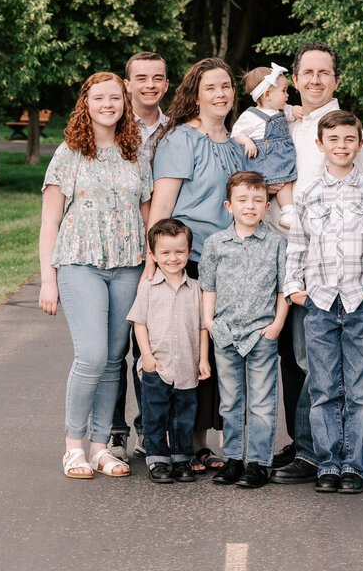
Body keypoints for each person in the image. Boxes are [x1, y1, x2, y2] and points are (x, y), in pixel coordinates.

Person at [284, 110, 363, 495]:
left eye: (349, 140)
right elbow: (297, 247)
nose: (341, 146)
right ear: (320, 145)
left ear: (359, 144)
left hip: (360, 304)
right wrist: (294, 289)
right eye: (333, 140)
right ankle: (328, 463)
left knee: (360, 389)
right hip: (319, 304)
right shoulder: (308, 193)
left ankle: (353, 465)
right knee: (323, 388)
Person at [37, 72, 151, 479]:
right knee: (91, 356)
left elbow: (146, 213)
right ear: (86, 103)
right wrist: (47, 279)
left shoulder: (135, 152)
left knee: (113, 360)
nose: (109, 105)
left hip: (128, 264)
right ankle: (74, 446)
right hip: (79, 263)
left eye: (115, 98)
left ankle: (102, 447)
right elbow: (50, 221)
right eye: (100, 98)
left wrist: (150, 266)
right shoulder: (69, 153)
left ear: (124, 103)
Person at [271, 42, 363, 485]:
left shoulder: (344, 130)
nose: (314, 80)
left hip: (317, 262)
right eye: (306, 72)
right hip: (274, 252)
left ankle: (314, 453)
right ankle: (301, 439)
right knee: (287, 358)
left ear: (336, 80)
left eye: (323, 73)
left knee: (314, 359)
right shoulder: (287, 122)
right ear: (294, 79)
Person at [147, 56, 244, 471]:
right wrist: (153, 268)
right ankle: (173, 441)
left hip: (231, 264)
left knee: (215, 352)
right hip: (189, 262)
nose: (219, 94)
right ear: (196, 94)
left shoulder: (240, 145)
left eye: (225, 87)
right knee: (184, 352)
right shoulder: (180, 141)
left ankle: (201, 442)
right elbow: (162, 207)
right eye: (210, 88)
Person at [198, 171, 288, 489]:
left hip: (261, 332)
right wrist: (208, 322)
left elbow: (283, 289)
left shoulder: (277, 244)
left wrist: (277, 325)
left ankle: (259, 462)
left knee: (261, 400)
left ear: (267, 207)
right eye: (243, 200)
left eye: (257, 201)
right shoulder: (215, 244)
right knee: (230, 400)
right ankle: (235, 458)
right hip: (224, 331)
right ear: (229, 205)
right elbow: (208, 286)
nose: (250, 206)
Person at [110, 51, 171, 459]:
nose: (150, 84)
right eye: (142, 78)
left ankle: (151, 428)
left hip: (160, 251)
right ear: (128, 84)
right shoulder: (109, 124)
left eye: (158, 78)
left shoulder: (178, 129)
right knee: (115, 349)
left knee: (154, 345)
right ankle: (114, 430)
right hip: (117, 250)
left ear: (167, 84)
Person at [127, 218, 211, 483]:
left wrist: (203, 359)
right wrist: (147, 358)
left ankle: (181, 459)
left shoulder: (196, 289)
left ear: (189, 252)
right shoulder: (148, 288)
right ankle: (158, 460)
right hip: (157, 367)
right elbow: (139, 324)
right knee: (155, 415)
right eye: (165, 252)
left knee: (184, 417)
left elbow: (202, 327)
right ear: (152, 255)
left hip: (187, 365)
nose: (173, 258)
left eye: (179, 252)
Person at [231, 64, 297, 227]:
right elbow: (236, 133)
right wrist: (247, 141)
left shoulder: (283, 110)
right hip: (261, 164)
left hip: (281, 161)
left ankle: (288, 212)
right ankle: (256, 218)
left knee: (285, 185)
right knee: (258, 192)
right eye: (283, 91)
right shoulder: (250, 116)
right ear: (267, 95)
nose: (287, 95)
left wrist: (297, 111)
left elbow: (293, 111)